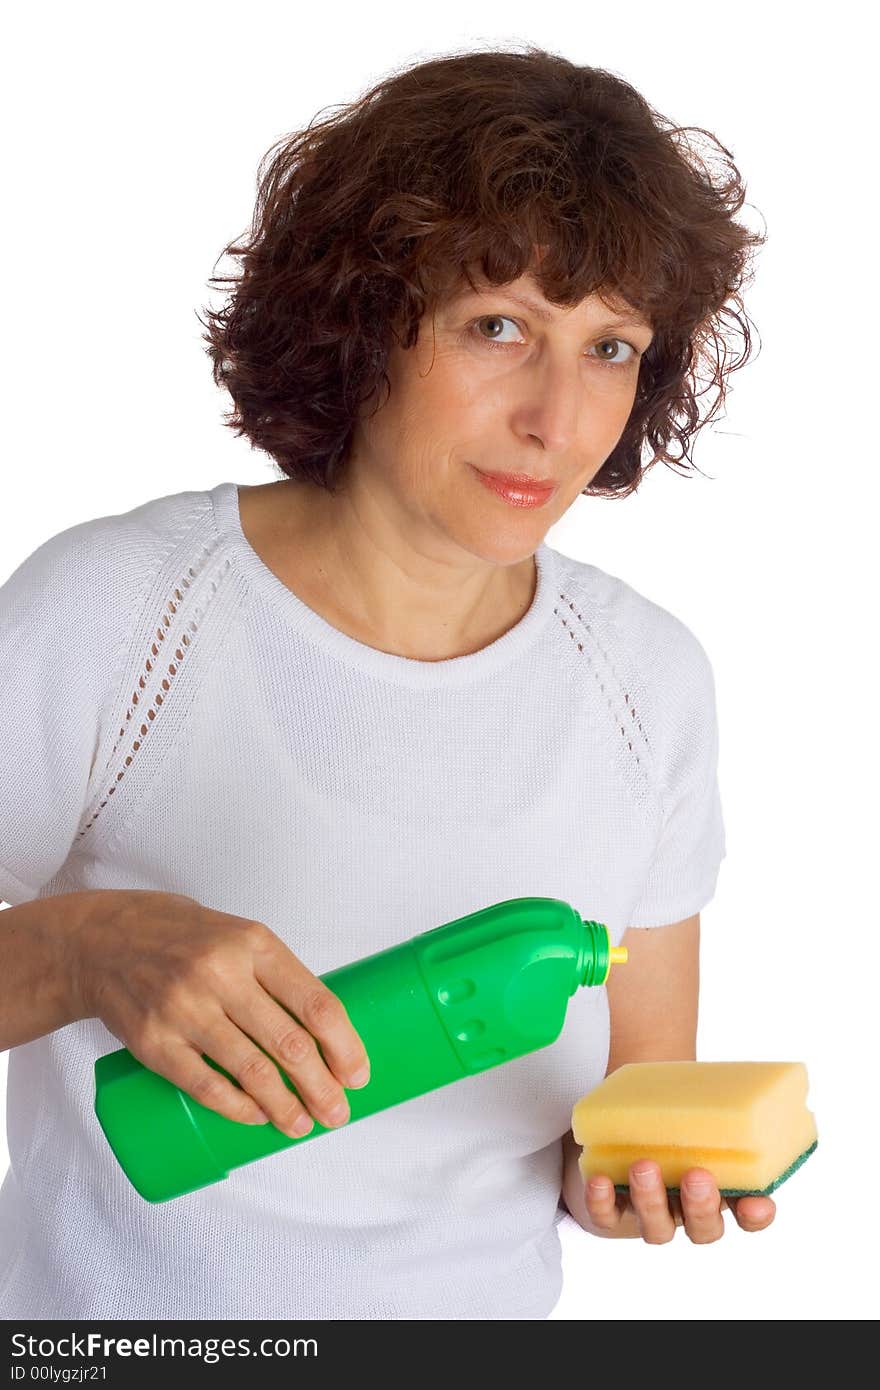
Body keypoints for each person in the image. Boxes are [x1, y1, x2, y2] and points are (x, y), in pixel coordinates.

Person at [0, 45, 775, 1322]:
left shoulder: (648, 680)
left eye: (611, 347)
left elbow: (617, 1125)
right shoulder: (122, 612)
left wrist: (646, 1179)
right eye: (498, 327)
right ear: (361, 318)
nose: (556, 419)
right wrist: (86, 951)